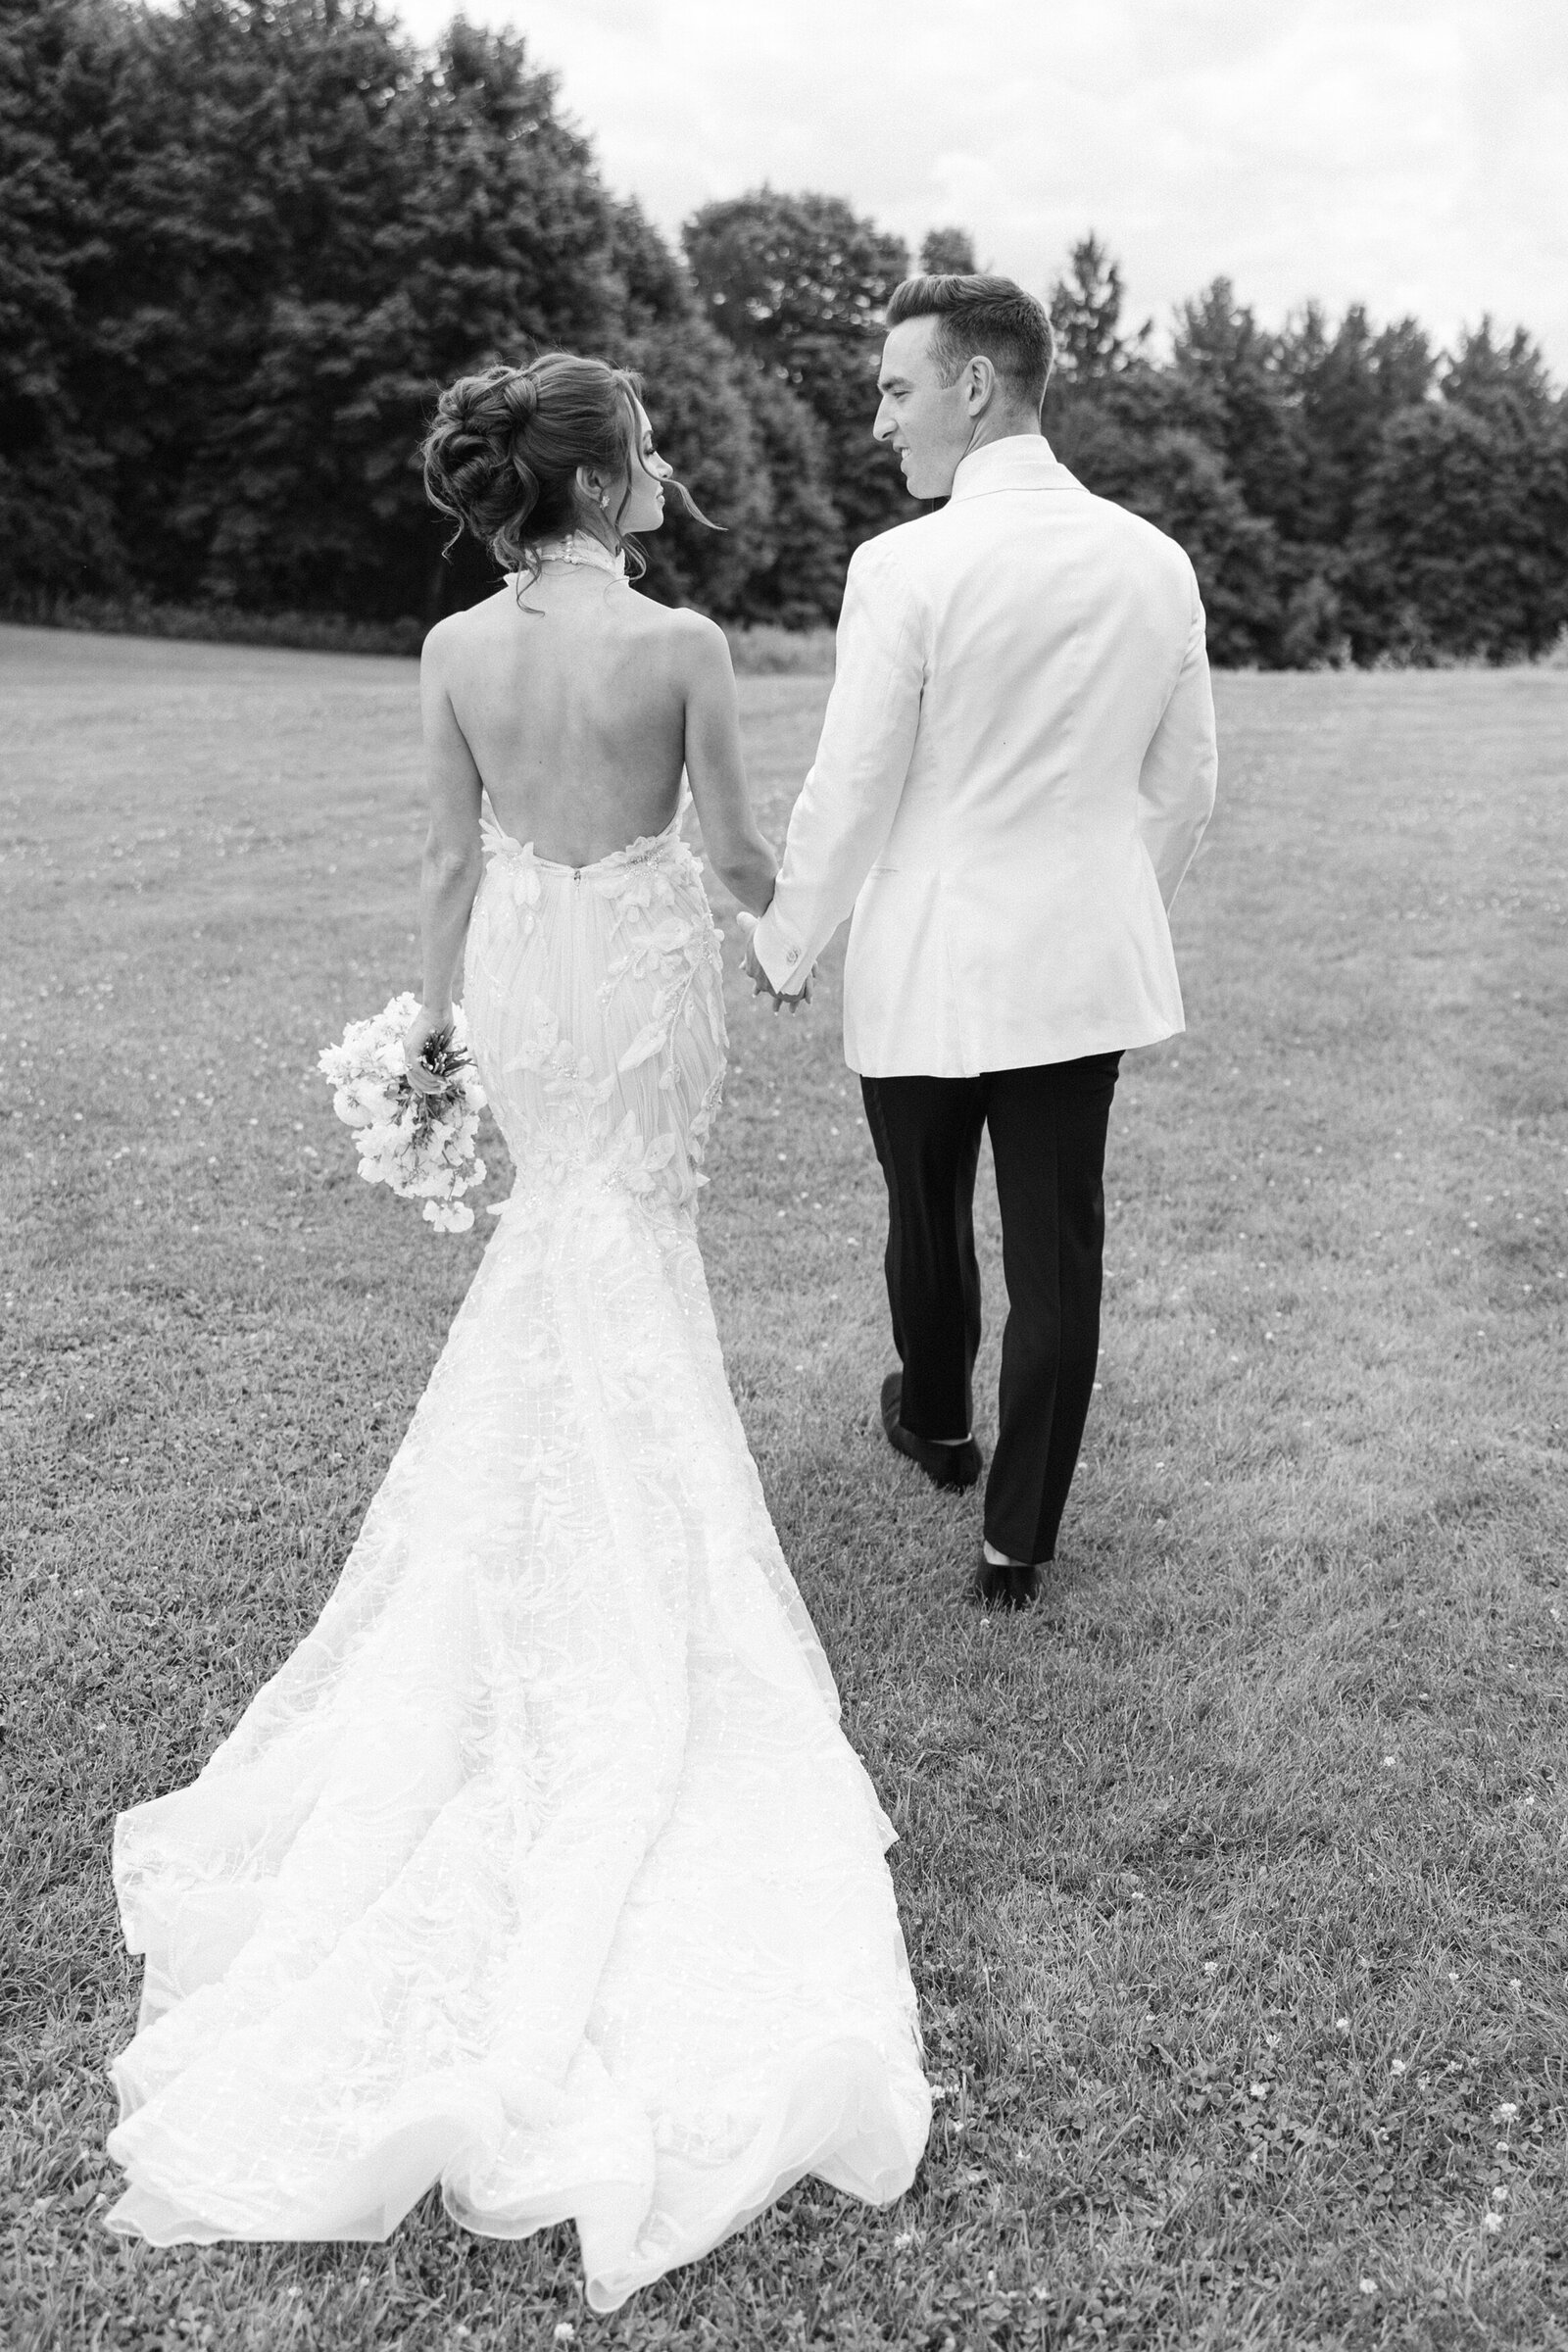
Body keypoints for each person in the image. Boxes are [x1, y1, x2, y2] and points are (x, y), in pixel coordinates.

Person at [105, 354, 930, 2309]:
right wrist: (798, 943)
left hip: (521, 982)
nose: (666, 468)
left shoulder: (454, 649)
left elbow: (439, 858)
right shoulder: (684, 648)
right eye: (648, 448)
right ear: (601, 475)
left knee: (559, 1243)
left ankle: (534, 1549)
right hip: (636, 975)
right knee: (630, 1242)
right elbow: (736, 858)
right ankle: (639, 1574)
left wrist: (431, 1044)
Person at [744, 273, 1218, 1612]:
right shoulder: (1156, 561)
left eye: (896, 390)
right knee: (1057, 1253)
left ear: (973, 385)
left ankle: (942, 1426)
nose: (881, 422)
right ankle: (1017, 1546)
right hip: (1079, 965)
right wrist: (1108, 904)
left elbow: (853, 783)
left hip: (930, 955)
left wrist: (787, 940)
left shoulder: (904, 567)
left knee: (926, 1207)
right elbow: (1186, 789)